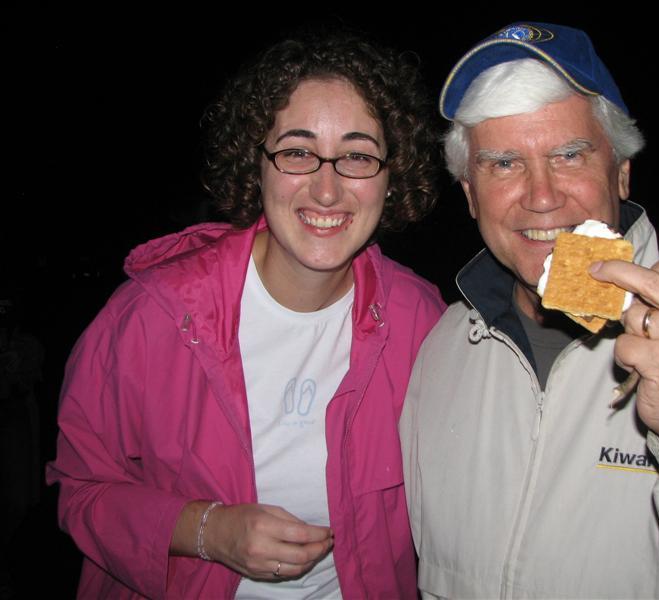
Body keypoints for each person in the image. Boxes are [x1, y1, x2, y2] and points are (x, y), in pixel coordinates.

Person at [400, 21, 659, 598]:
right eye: (504, 163)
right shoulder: (440, 351)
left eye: (568, 154)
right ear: (469, 193)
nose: (541, 195)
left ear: (622, 169)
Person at [46, 30, 445, 599]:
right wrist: (207, 530)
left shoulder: (422, 319)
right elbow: (80, 490)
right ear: (255, 165)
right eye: (298, 152)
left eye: (358, 154)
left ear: (390, 175)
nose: (327, 190)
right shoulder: (151, 317)